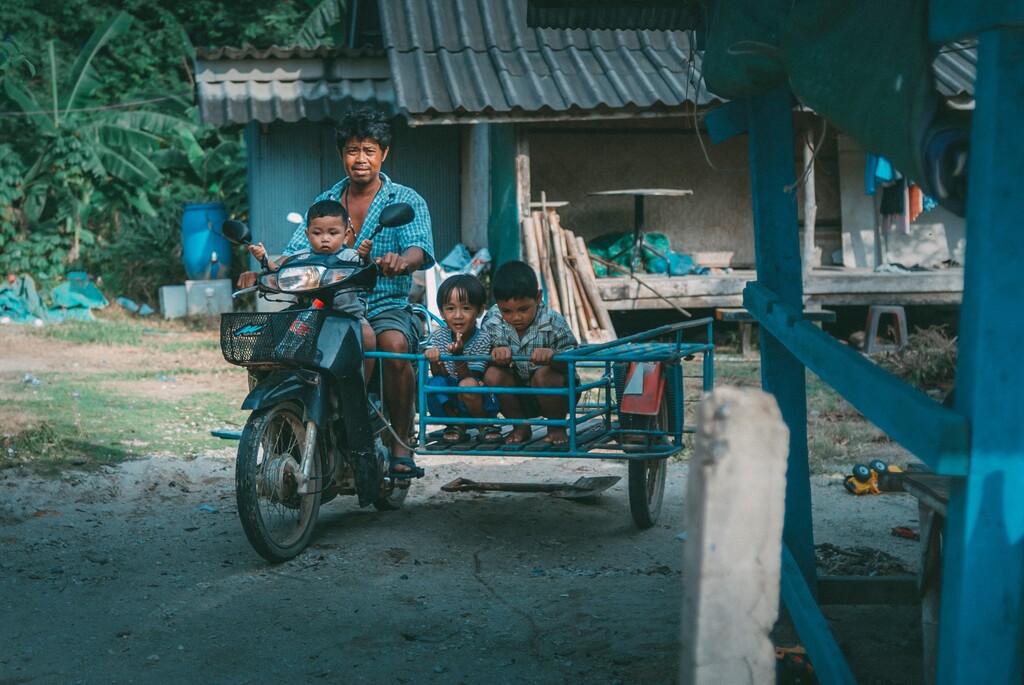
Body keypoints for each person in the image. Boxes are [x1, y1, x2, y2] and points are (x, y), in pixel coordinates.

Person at [253, 106, 434, 478]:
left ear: (385, 153)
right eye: (353, 150)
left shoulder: (406, 199)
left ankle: (401, 444)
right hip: (328, 301)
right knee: (273, 346)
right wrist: (269, 266)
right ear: (342, 155)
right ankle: (291, 427)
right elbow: (295, 250)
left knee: (395, 344)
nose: (361, 159)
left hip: (386, 303)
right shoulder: (328, 201)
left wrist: (403, 260)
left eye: (369, 150)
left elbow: (420, 248)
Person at [246, 198, 376, 383]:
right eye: (317, 232)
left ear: (346, 235)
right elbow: (278, 269)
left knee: (368, 337)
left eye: (333, 233)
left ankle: (361, 385)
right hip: (306, 317)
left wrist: (366, 256)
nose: (325, 238)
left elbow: (367, 267)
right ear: (307, 234)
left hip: (347, 317)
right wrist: (264, 259)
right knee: (274, 339)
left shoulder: (350, 256)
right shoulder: (301, 257)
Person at [482, 261, 578, 445]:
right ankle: (520, 425)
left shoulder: (553, 322)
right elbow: (480, 360)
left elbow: (571, 362)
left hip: (556, 396)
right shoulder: (492, 321)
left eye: (523, 309)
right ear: (497, 304)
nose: (516, 317)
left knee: (543, 375)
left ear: (538, 297)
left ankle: (556, 426)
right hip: (517, 397)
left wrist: (553, 357)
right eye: (507, 311)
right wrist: (494, 356)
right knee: (493, 375)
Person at [420, 274, 500, 444]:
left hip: (476, 401)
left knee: (468, 385)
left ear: (479, 310)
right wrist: (435, 361)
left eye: (465, 308)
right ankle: (456, 424)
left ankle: (484, 425)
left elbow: (470, 377)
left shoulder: (482, 338)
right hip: (452, 400)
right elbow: (441, 375)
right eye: (450, 309)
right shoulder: (440, 335)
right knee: (434, 383)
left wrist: (459, 357)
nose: (458, 315)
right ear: (441, 312)